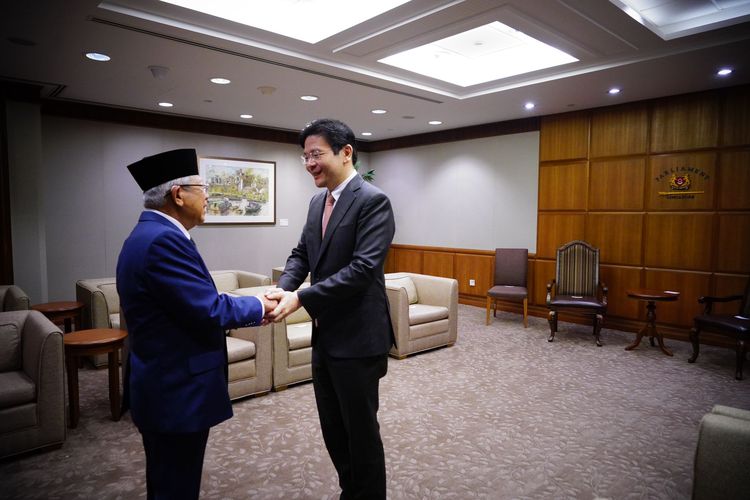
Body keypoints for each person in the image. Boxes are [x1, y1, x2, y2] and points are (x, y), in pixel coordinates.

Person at [117, 148, 277, 500]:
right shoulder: (163, 241)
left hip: (164, 383)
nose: (208, 196)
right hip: (175, 390)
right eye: (203, 188)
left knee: (169, 479)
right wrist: (259, 304)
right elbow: (207, 309)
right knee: (176, 484)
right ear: (178, 194)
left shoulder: (149, 234)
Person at [266, 119, 396, 499]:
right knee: (334, 431)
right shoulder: (316, 202)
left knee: (361, 435)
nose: (309, 163)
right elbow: (302, 253)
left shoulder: (373, 201)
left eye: (316, 154)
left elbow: (361, 271)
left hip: (358, 340)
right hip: (326, 337)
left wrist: (302, 299)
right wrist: (283, 288)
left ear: (345, 152)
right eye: (305, 156)